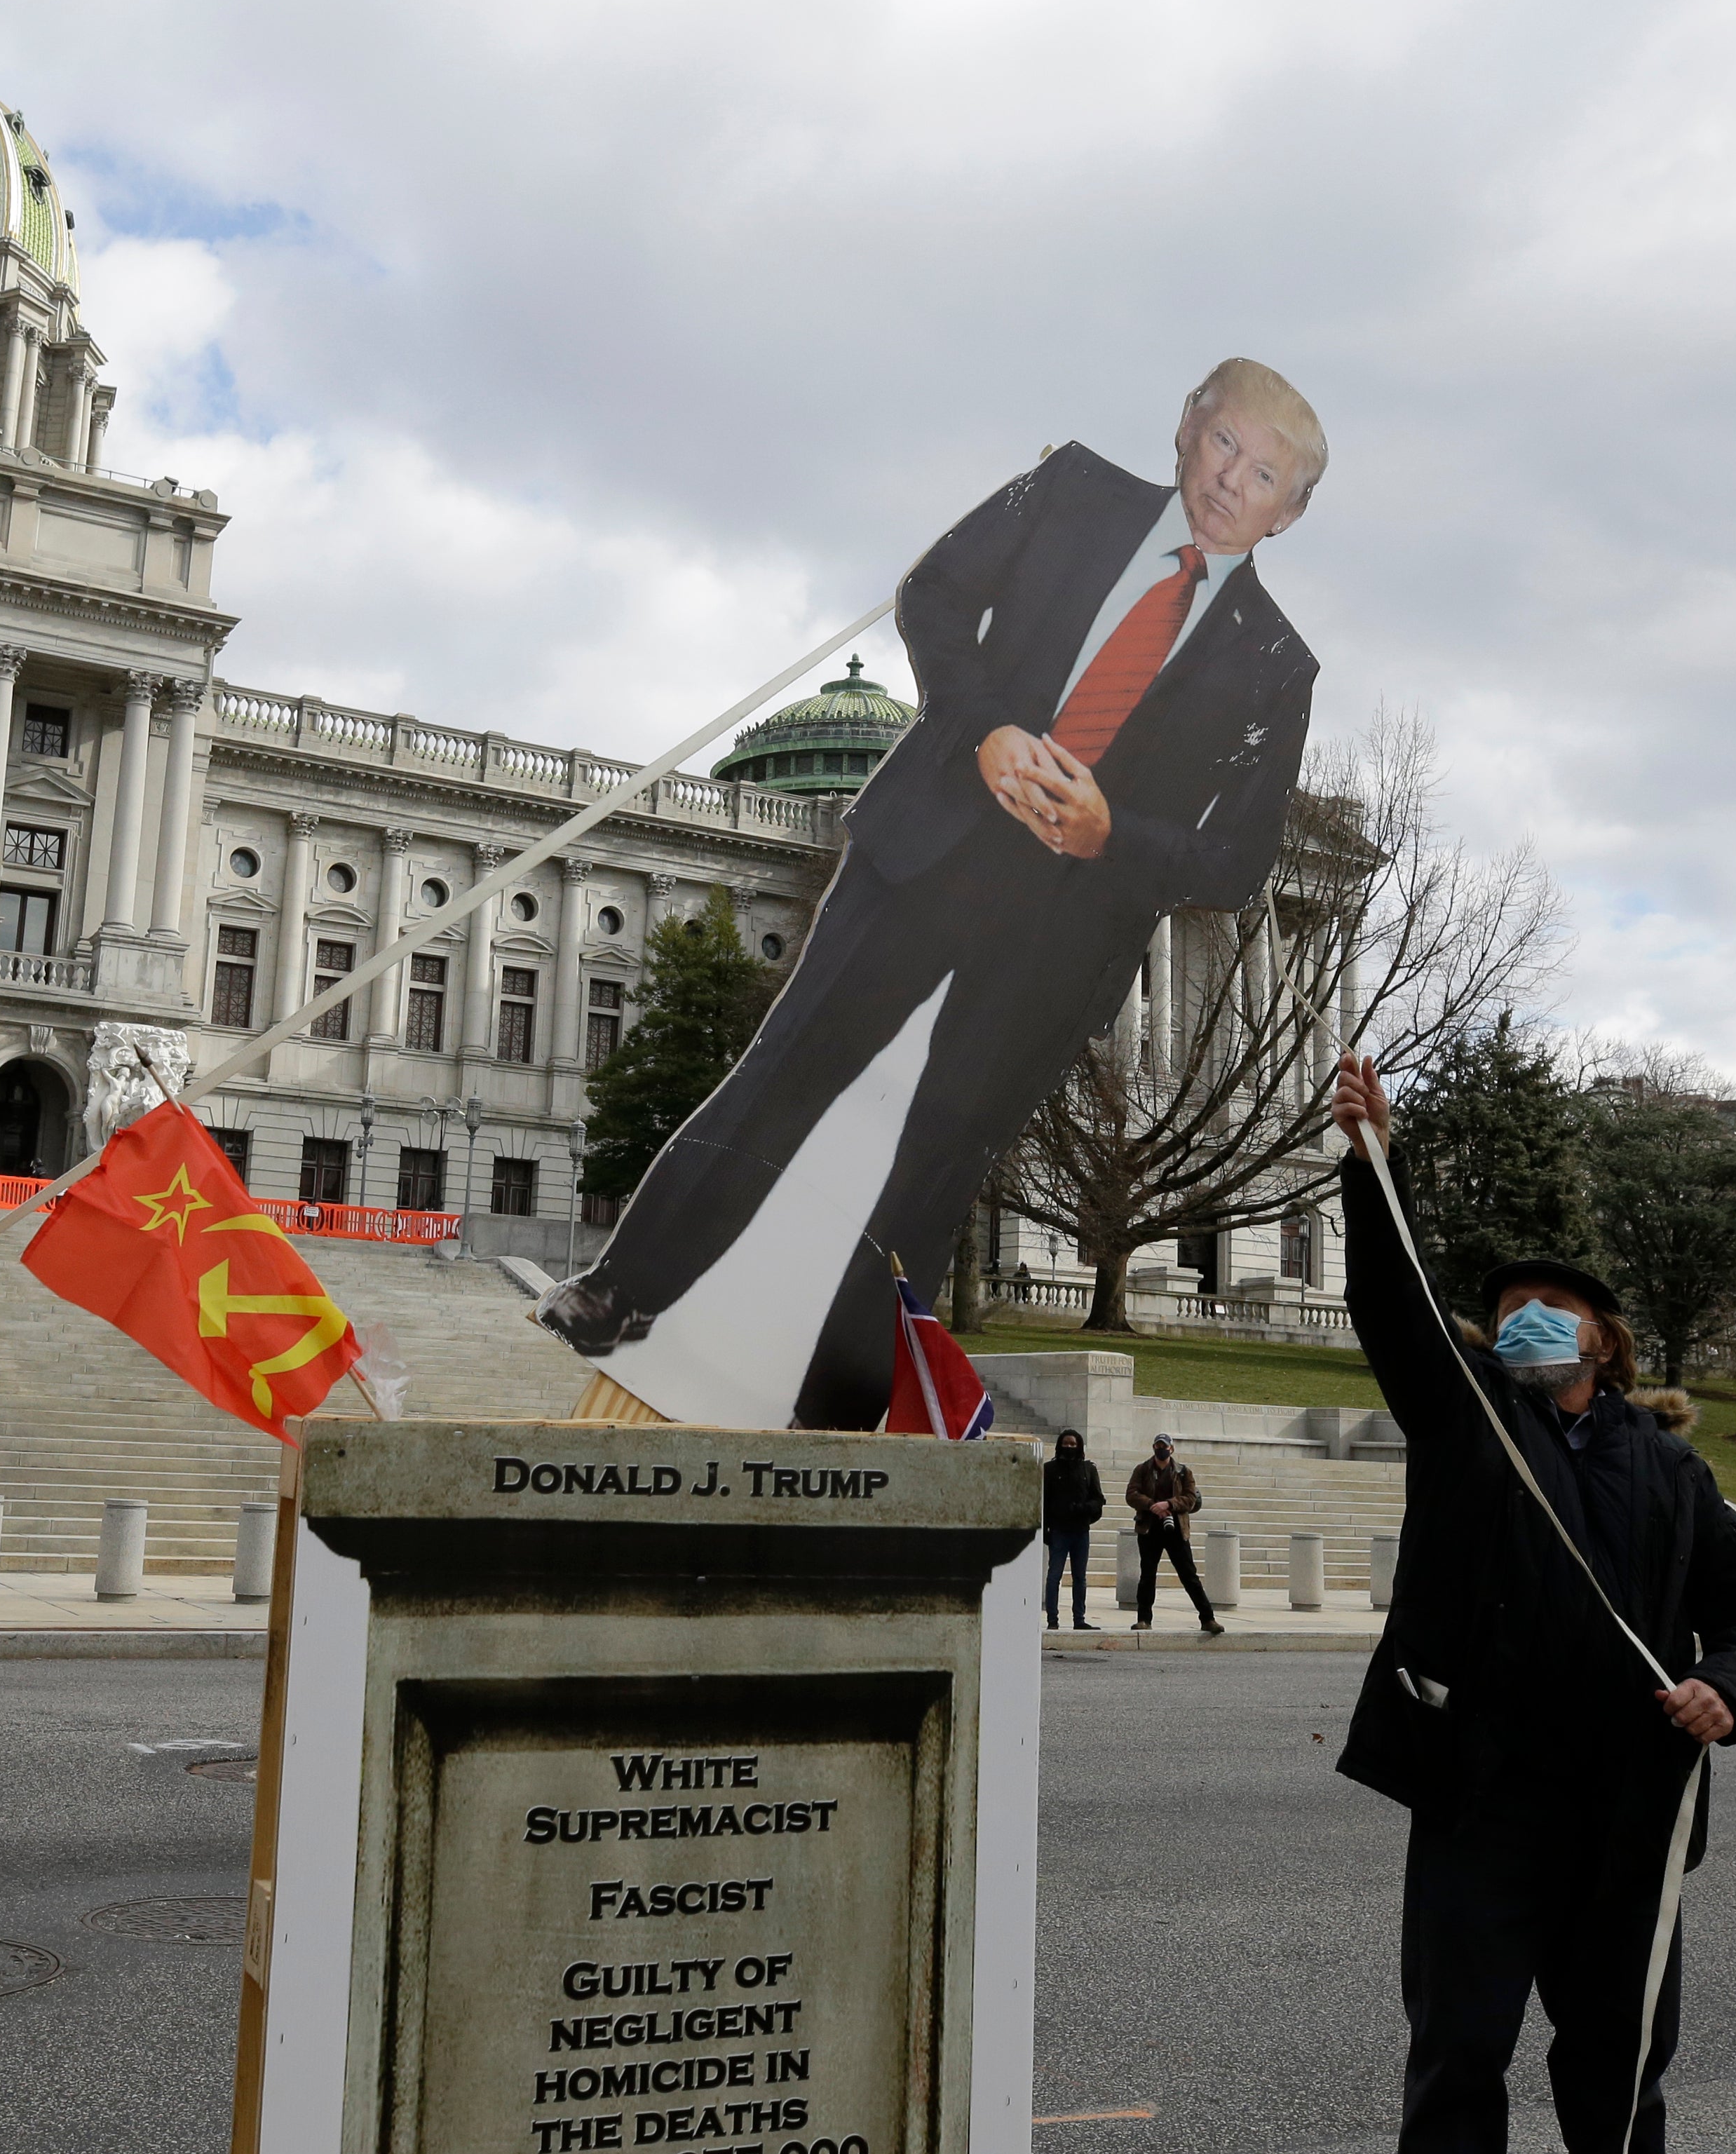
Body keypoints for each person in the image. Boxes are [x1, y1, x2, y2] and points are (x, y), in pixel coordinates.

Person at [541, 360, 1328, 1429]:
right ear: (1187, 428)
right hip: (932, 844)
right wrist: (985, 725)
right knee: (787, 1068)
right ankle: (622, 1287)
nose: (1234, 478)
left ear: (1289, 513)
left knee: (936, 1159)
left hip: (1063, 930)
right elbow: (937, 594)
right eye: (1226, 442)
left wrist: (1113, 835)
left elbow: (1234, 861)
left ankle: (839, 1397)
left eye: (1266, 472)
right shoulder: (1072, 489)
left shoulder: (1278, 663)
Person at [1330, 1055, 1736, 2154]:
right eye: (1513, 1303)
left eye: (1555, 1302)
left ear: (1604, 1337)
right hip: (1485, 1797)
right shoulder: (1469, 1412)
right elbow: (1396, 1302)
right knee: (1459, 2046)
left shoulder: (1674, 1470)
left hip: (1632, 1812)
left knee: (1623, 2060)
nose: (1529, 1313)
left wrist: (1730, 1689)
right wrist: (1375, 1164)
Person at [1125, 1432, 1223, 1634]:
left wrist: (1169, 1504)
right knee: (1147, 1575)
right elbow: (1132, 1495)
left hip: (1176, 1528)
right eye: (1158, 1446)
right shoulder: (1142, 1470)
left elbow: (1190, 1498)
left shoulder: (1183, 1472)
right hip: (1150, 1527)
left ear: (1172, 1449)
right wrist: (1153, 1505)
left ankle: (1207, 1618)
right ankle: (1144, 1619)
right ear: (1153, 1448)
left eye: (1165, 1446)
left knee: (1189, 1575)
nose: (1161, 1449)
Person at [1040, 1427, 1105, 1630]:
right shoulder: (1049, 1470)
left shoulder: (1088, 1469)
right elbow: (1043, 1501)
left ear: (1079, 1447)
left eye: (1073, 1444)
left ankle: (1079, 1619)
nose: (1069, 1447)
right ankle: (1053, 1620)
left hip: (1080, 1531)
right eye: (1066, 1444)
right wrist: (1045, 1530)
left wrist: (1084, 1510)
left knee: (1080, 1578)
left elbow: (1098, 1499)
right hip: (1058, 1530)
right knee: (1054, 1577)